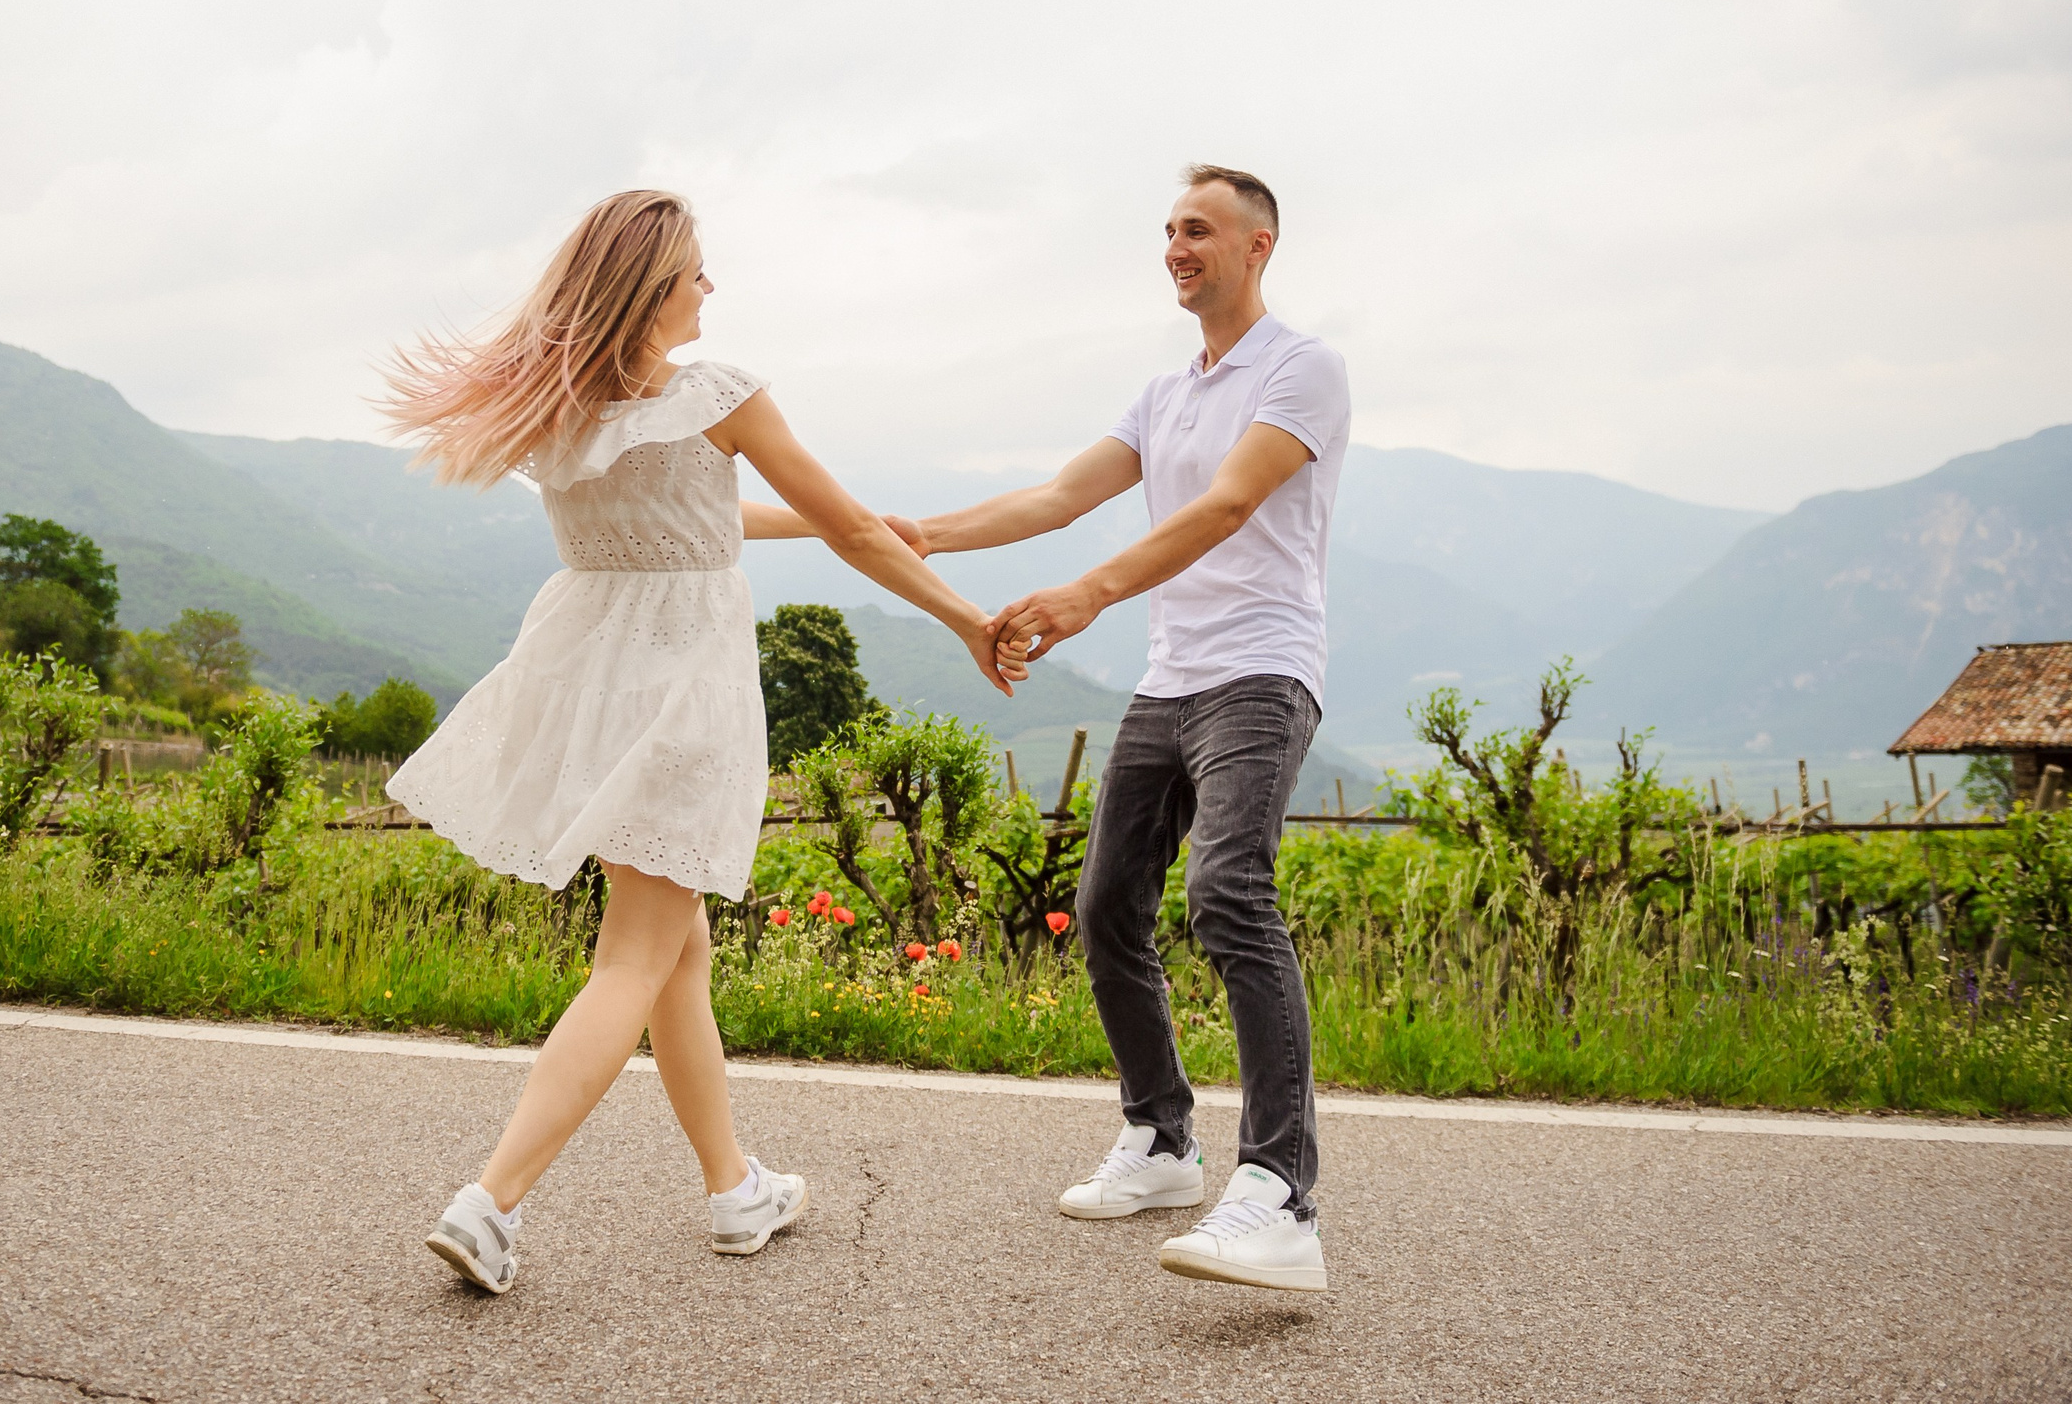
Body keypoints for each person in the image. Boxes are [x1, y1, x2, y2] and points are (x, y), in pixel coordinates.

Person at [380, 190, 1018, 1294]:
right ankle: (489, 1205)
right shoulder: (719, 394)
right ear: (655, 285)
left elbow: (702, 513)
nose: (710, 289)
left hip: (586, 680)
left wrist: (846, 521)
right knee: (634, 954)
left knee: (677, 950)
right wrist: (968, 617)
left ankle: (734, 1190)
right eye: (697, 273)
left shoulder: (561, 411)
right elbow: (848, 529)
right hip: (680, 691)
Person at [896, 164, 1348, 1293]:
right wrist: (922, 536)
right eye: (1166, 231)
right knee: (1104, 907)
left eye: (1197, 229)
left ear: (1258, 245)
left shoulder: (1302, 368)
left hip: (1259, 672)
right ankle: (1161, 1141)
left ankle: (1281, 1191)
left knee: (1228, 893)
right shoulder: (1163, 394)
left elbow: (1228, 505)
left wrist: (1085, 596)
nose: (1174, 247)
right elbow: (1055, 497)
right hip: (1169, 681)